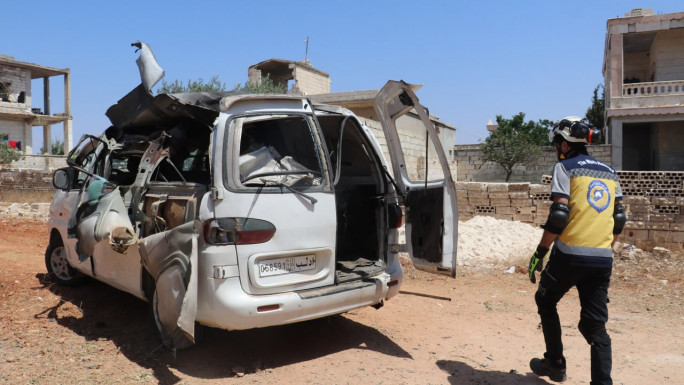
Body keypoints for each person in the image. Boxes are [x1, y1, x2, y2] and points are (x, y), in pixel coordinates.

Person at [528, 116, 626, 384]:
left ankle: (555, 363)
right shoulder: (610, 172)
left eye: (557, 143)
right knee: (595, 326)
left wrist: (540, 252)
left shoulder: (565, 167)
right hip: (602, 258)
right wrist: (608, 247)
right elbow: (619, 219)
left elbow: (559, 215)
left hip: (569, 256)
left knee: (546, 301)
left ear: (563, 142)